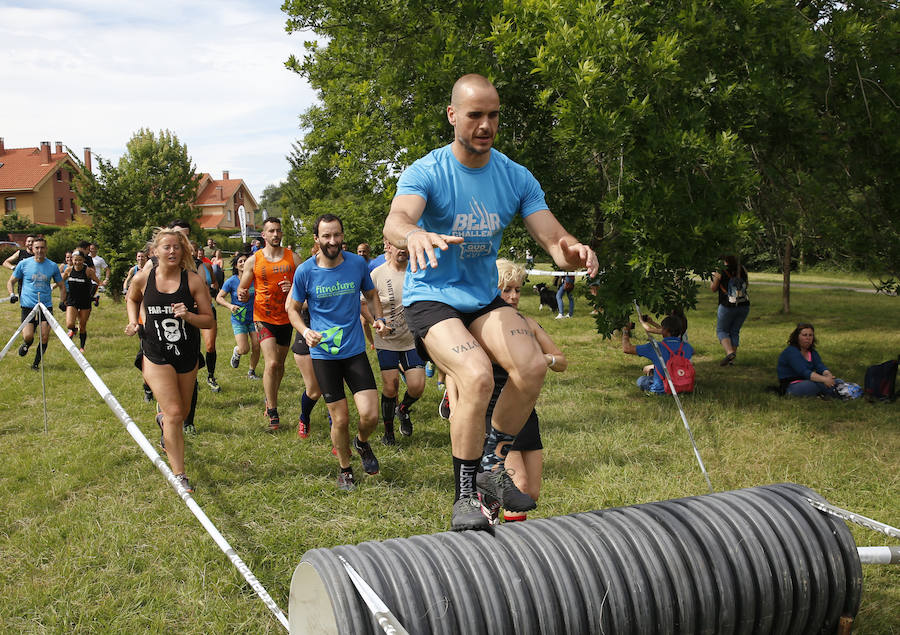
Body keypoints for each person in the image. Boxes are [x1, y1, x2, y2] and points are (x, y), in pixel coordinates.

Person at [383, 73, 598, 530]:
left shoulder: (515, 176)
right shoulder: (428, 171)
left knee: (533, 366)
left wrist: (572, 250)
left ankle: (491, 466)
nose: (485, 124)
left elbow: (552, 236)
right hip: (432, 298)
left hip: (481, 297)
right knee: (477, 375)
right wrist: (414, 233)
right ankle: (464, 494)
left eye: (493, 115)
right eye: (475, 114)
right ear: (452, 115)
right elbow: (396, 219)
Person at [288, 214, 389, 491]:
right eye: (326, 236)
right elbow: (293, 309)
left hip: (354, 351)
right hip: (324, 355)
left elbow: (370, 295)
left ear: (342, 235)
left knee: (370, 415)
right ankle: (345, 469)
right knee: (340, 419)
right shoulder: (306, 271)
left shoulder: (357, 263)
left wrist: (377, 318)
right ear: (317, 239)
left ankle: (362, 442)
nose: (332, 241)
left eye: (337, 235)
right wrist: (305, 331)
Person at [125, 227, 214, 493]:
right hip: (155, 353)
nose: (172, 251)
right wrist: (133, 322)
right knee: (175, 413)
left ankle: (163, 424)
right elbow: (132, 297)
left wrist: (188, 316)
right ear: (155, 252)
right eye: (167, 247)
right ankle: (180, 475)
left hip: (186, 353)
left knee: (181, 413)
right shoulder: (143, 278)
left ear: (184, 251)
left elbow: (208, 320)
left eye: (177, 247)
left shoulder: (193, 281)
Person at [486, 259, 566, 521]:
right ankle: (511, 551)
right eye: (506, 289)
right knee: (517, 486)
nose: (513, 296)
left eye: (517, 290)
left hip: (526, 413)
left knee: (531, 493)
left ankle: (489, 503)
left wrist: (546, 359)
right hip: (495, 412)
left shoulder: (529, 323)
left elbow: (561, 360)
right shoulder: (483, 324)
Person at [238, 217, 302, 431]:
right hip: (262, 317)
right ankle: (273, 410)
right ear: (263, 235)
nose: (276, 234)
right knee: (272, 363)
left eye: (278, 231)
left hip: (286, 317)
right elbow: (242, 290)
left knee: (281, 365)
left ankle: (270, 396)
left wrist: (292, 287)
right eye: (271, 231)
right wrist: (243, 293)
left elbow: (305, 287)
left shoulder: (294, 259)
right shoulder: (253, 260)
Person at [367, 239, 427, 445]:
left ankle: (403, 409)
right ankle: (388, 433)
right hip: (387, 339)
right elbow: (362, 304)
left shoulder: (418, 270)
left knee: (417, 386)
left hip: (412, 338)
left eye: (406, 245)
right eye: (397, 245)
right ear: (388, 246)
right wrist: (376, 321)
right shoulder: (377, 273)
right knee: (390, 386)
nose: (402, 249)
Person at [6, 236, 66, 370]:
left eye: (42, 248)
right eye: (37, 248)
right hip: (28, 305)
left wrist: (62, 301)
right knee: (28, 336)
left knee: (44, 337)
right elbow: (11, 281)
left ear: (46, 249)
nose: (40, 250)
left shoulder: (52, 266)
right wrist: (12, 295)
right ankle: (27, 344)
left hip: (45, 306)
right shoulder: (24, 264)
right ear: (32, 249)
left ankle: (36, 364)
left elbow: (61, 285)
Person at [216, 252, 261, 379]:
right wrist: (230, 306)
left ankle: (251, 372)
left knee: (257, 345)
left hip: (254, 317)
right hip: (239, 319)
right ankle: (237, 352)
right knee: (244, 349)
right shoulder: (231, 281)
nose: (243, 263)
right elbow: (219, 298)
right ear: (236, 265)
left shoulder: (255, 279)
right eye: (240, 261)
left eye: (245, 261)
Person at [622, 316, 694, 394]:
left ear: (665, 330)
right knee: (651, 368)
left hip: (662, 388)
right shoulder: (688, 347)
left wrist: (625, 331)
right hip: (684, 386)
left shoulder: (656, 347)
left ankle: (654, 375)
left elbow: (627, 349)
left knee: (641, 380)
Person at [777, 323, 838, 397]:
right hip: (792, 386)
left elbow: (820, 366)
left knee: (837, 381)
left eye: (810, 335)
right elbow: (804, 372)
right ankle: (837, 392)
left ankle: (834, 390)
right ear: (797, 337)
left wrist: (828, 375)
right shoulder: (791, 352)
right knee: (816, 384)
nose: (808, 338)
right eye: (804, 335)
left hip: (808, 380)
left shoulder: (812, 352)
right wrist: (825, 380)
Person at [710, 255, 750, 366]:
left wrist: (713, 277)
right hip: (744, 305)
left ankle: (730, 352)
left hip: (727, 305)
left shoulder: (720, 271)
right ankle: (731, 360)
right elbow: (747, 285)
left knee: (722, 330)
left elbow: (713, 288)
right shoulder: (742, 269)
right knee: (734, 331)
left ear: (724, 259)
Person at [194, 243, 221, 392]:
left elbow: (215, 284)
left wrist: (211, 288)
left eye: (197, 252)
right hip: (191, 311)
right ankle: (192, 379)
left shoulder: (207, 266)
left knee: (210, 346)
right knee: (192, 347)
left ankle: (211, 377)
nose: (196, 254)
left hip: (207, 310)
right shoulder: (182, 269)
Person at [62, 250, 101, 352]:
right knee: (69, 324)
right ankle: (73, 330)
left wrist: (102, 285)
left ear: (83, 260)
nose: (77, 262)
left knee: (82, 326)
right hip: (72, 300)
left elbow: (97, 281)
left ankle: (82, 347)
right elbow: (60, 280)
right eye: (75, 260)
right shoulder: (69, 270)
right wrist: (53, 286)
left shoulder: (88, 271)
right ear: (72, 260)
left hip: (85, 301)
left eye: (80, 260)